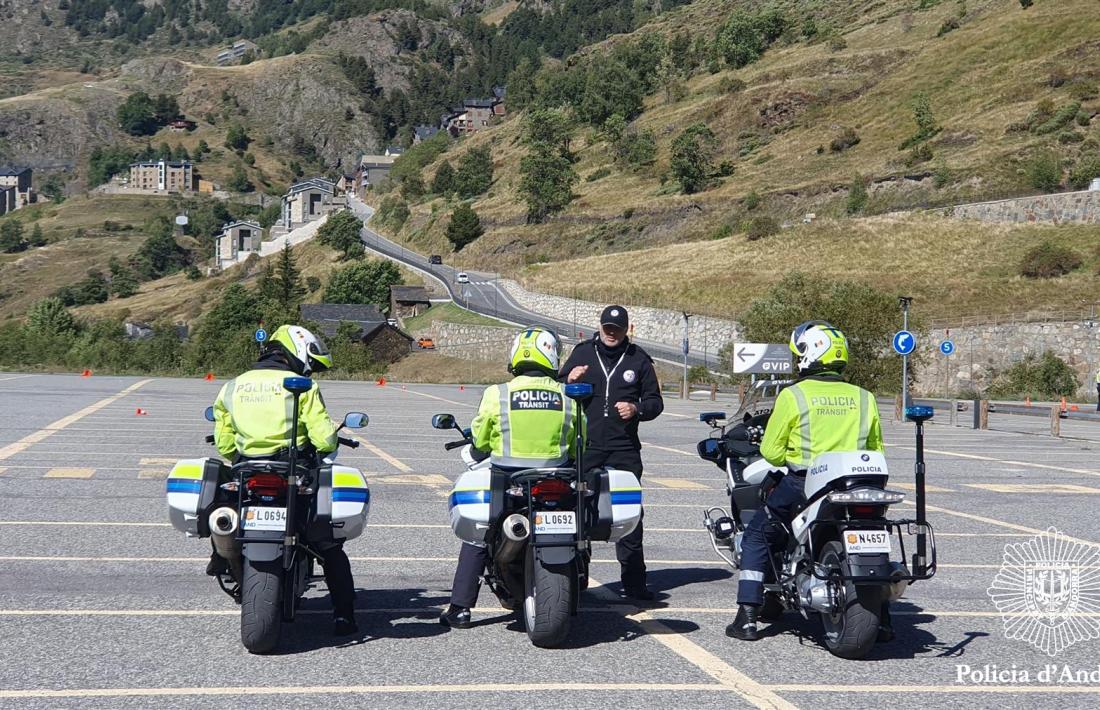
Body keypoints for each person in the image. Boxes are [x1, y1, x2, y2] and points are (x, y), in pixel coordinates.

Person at [726, 321, 887, 642]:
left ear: (812, 354)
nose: (797, 357)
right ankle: (883, 620)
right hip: (856, 485)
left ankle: (747, 615)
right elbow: (877, 449)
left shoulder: (794, 395)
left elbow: (771, 451)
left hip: (803, 485)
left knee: (758, 534)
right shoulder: (865, 397)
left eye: (799, 351)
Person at [211, 324, 359, 637]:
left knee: (227, 510)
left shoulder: (232, 386)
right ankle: (344, 615)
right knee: (329, 545)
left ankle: (223, 562)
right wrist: (329, 439)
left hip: (247, 472)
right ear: (298, 353)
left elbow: (224, 444)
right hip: (294, 471)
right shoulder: (302, 386)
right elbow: (324, 440)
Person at [440, 326, 583, 629]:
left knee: (478, 535)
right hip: (556, 478)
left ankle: (461, 608)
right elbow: (581, 440)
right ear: (552, 356)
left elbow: (480, 439)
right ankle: (576, 588)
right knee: (581, 529)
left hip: (508, 480)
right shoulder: (567, 394)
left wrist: (481, 446)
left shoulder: (498, 393)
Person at [561, 305, 664, 600]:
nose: (611, 333)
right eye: (607, 327)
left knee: (629, 514)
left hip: (624, 449)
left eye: (616, 329)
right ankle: (576, 574)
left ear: (626, 330)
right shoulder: (582, 353)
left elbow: (655, 403)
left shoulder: (639, 359)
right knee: (575, 509)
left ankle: (634, 583)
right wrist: (568, 380)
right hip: (586, 446)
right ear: (600, 326)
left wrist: (637, 409)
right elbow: (556, 390)